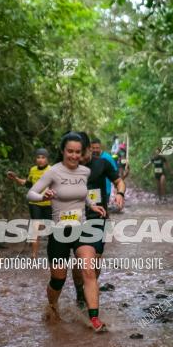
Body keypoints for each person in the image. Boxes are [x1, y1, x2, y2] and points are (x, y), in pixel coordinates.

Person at [28, 132, 108, 332]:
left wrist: (93, 204)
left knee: (88, 270)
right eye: (70, 151)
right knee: (58, 279)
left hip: (81, 227)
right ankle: (53, 307)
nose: (74, 155)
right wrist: (42, 195)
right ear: (63, 151)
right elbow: (30, 192)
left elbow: (82, 193)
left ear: (82, 153)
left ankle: (94, 319)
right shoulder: (53, 172)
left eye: (77, 152)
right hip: (59, 232)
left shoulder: (84, 172)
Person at [70, 135, 125, 309]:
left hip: (99, 218)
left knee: (96, 261)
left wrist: (120, 193)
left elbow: (119, 181)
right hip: (75, 219)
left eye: (84, 151)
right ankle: (80, 291)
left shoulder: (102, 163)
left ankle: (89, 288)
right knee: (81, 262)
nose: (82, 156)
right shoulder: (69, 167)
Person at [7, 149, 51, 258]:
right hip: (35, 203)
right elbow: (27, 184)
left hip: (48, 204)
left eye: (43, 157)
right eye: (38, 157)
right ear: (35, 159)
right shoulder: (33, 170)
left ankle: (53, 253)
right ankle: (34, 255)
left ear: (47, 159)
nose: (40, 160)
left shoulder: (52, 171)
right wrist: (16, 178)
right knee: (35, 228)